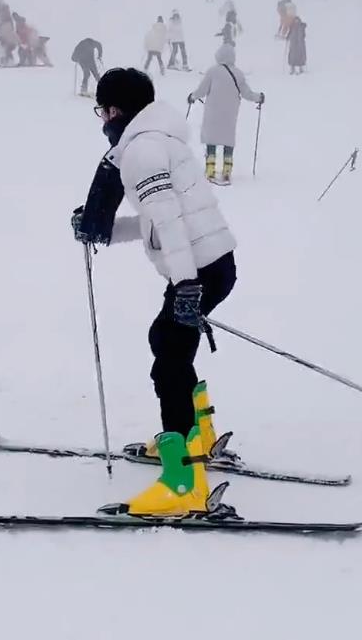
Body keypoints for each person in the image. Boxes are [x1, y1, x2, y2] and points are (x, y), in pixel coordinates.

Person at [71, 67, 239, 515]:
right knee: (169, 344)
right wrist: (105, 230)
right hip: (212, 263)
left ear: (115, 109)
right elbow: (157, 220)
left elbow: (168, 224)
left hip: (198, 270)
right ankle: (197, 436)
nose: (101, 119)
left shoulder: (141, 152)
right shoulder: (159, 139)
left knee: (167, 357)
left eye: (102, 110)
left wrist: (186, 286)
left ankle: (183, 483)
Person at [188, 43, 264, 185]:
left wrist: (192, 97)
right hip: (230, 113)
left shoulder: (212, 72)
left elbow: (202, 91)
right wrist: (259, 97)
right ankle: (227, 171)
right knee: (227, 140)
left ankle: (210, 170)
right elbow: (247, 94)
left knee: (212, 140)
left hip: (213, 113)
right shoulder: (238, 73)